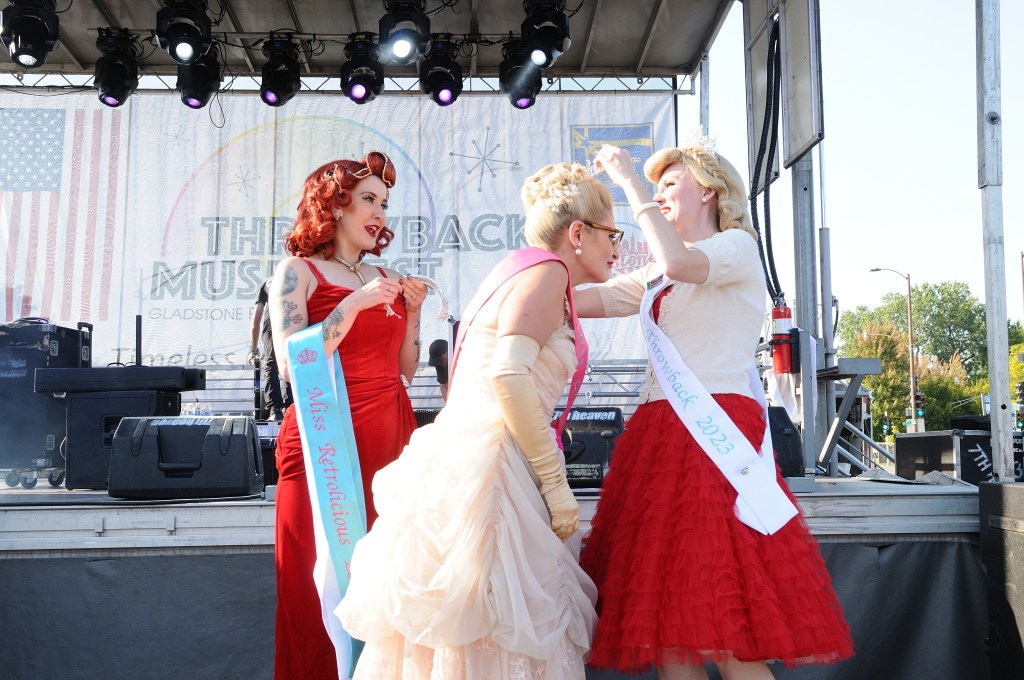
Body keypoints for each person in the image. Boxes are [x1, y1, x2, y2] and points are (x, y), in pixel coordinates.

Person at [575, 141, 854, 679]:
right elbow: (596, 299)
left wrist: (630, 183)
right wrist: (533, 279)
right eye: (655, 187)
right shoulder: (660, 273)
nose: (659, 194)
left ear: (707, 190)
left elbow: (681, 261)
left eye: (669, 184)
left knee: (730, 630)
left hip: (714, 432)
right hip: (659, 434)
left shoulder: (736, 247)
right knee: (668, 627)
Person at [337, 162, 623, 679]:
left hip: (476, 455)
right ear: (578, 234)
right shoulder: (547, 273)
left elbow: (630, 293)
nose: (617, 248)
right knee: (496, 622)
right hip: (495, 466)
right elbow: (508, 377)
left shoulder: (523, 272)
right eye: (611, 234)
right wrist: (555, 484)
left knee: (469, 628)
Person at [269, 151, 428, 680]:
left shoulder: (387, 276)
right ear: (335, 206)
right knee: (312, 584)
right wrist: (354, 304)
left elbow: (405, 370)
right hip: (324, 443)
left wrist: (414, 313)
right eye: (368, 200)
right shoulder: (297, 272)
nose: (379, 213)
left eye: (384, 203)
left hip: (390, 443)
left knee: (387, 582)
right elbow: (292, 363)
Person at [247, 277, 293, 420]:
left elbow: (255, 324)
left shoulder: (267, 283)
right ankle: (291, 408)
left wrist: (254, 350)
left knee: (271, 365)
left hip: (272, 324)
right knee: (291, 363)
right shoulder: (297, 278)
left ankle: (275, 410)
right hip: (294, 321)